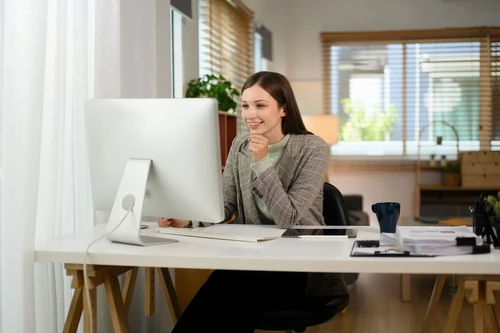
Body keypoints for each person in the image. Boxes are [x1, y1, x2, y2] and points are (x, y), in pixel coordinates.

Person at [158, 71, 348, 332]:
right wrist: (188, 219)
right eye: (246, 105)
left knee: (229, 291)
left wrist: (261, 162)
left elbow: (288, 218)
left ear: (283, 109)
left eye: (260, 105)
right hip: (253, 261)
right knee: (229, 291)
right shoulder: (239, 145)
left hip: (301, 267)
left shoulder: (312, 148)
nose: (250, 114)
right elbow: (226, 206)